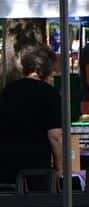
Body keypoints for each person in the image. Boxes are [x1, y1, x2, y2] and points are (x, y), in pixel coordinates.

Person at [0, 46, 63, 188]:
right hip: (37, 170)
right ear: (47, 70)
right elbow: (56, 136)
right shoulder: (50, 94)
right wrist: (60, 169)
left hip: (6, 168)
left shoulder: (7, 91)